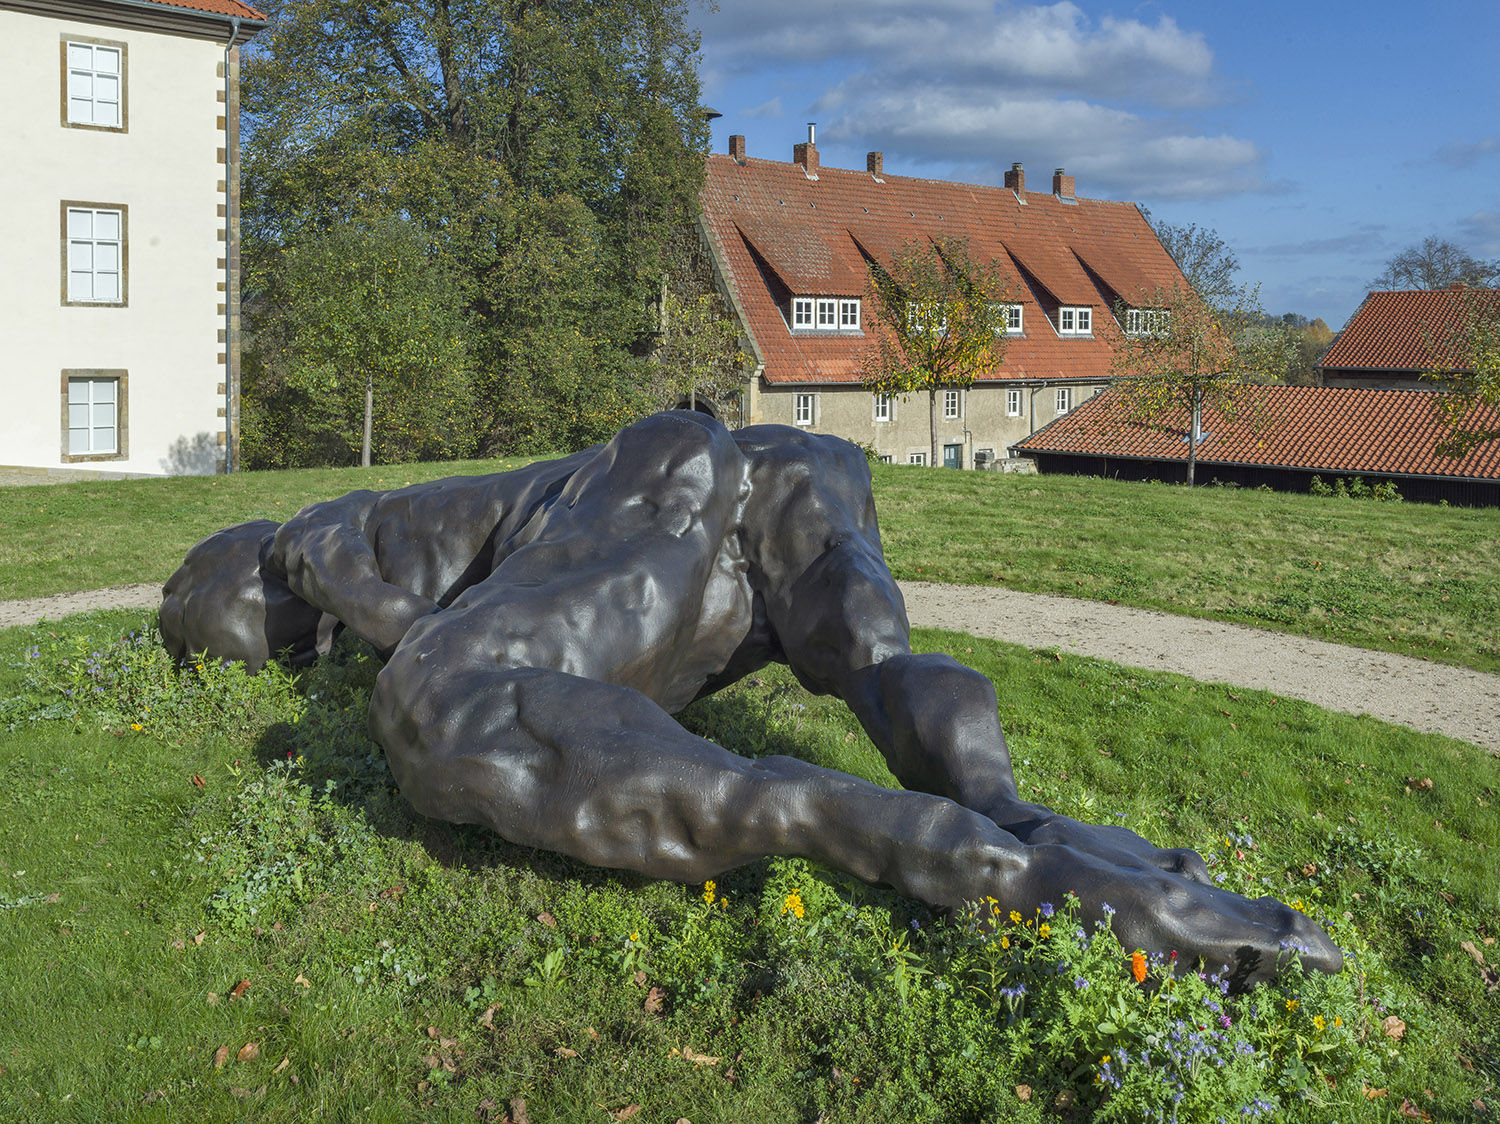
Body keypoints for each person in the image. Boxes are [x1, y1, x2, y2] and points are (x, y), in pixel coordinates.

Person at [163, 411, 1341, 988]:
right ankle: (1022, 820)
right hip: (774, 474)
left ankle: (1025, 871)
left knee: (437, 711)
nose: (286, 654)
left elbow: (438, 642)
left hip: (655, 516)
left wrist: (349, 597)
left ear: (254, 573)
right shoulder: (437, 516)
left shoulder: (327, 538)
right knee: (878, 667)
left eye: (273, 639)